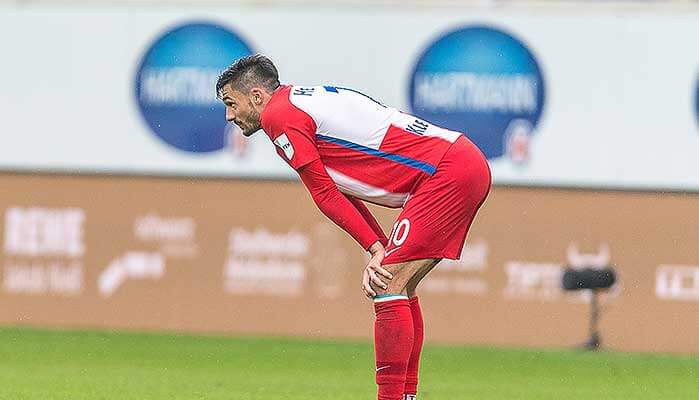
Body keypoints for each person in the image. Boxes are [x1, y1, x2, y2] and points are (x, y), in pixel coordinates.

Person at [216, 54, 491, 400]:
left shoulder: (278, 116)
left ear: (256, 96)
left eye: (231, 103)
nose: (229, 115)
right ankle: (406, 395)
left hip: (446, 172)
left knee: (386, 282)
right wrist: (378, 244)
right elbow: (342, 190)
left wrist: (376, 249)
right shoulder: (298, 102)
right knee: (400, 286)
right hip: (458, 162)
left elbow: (324, 193)